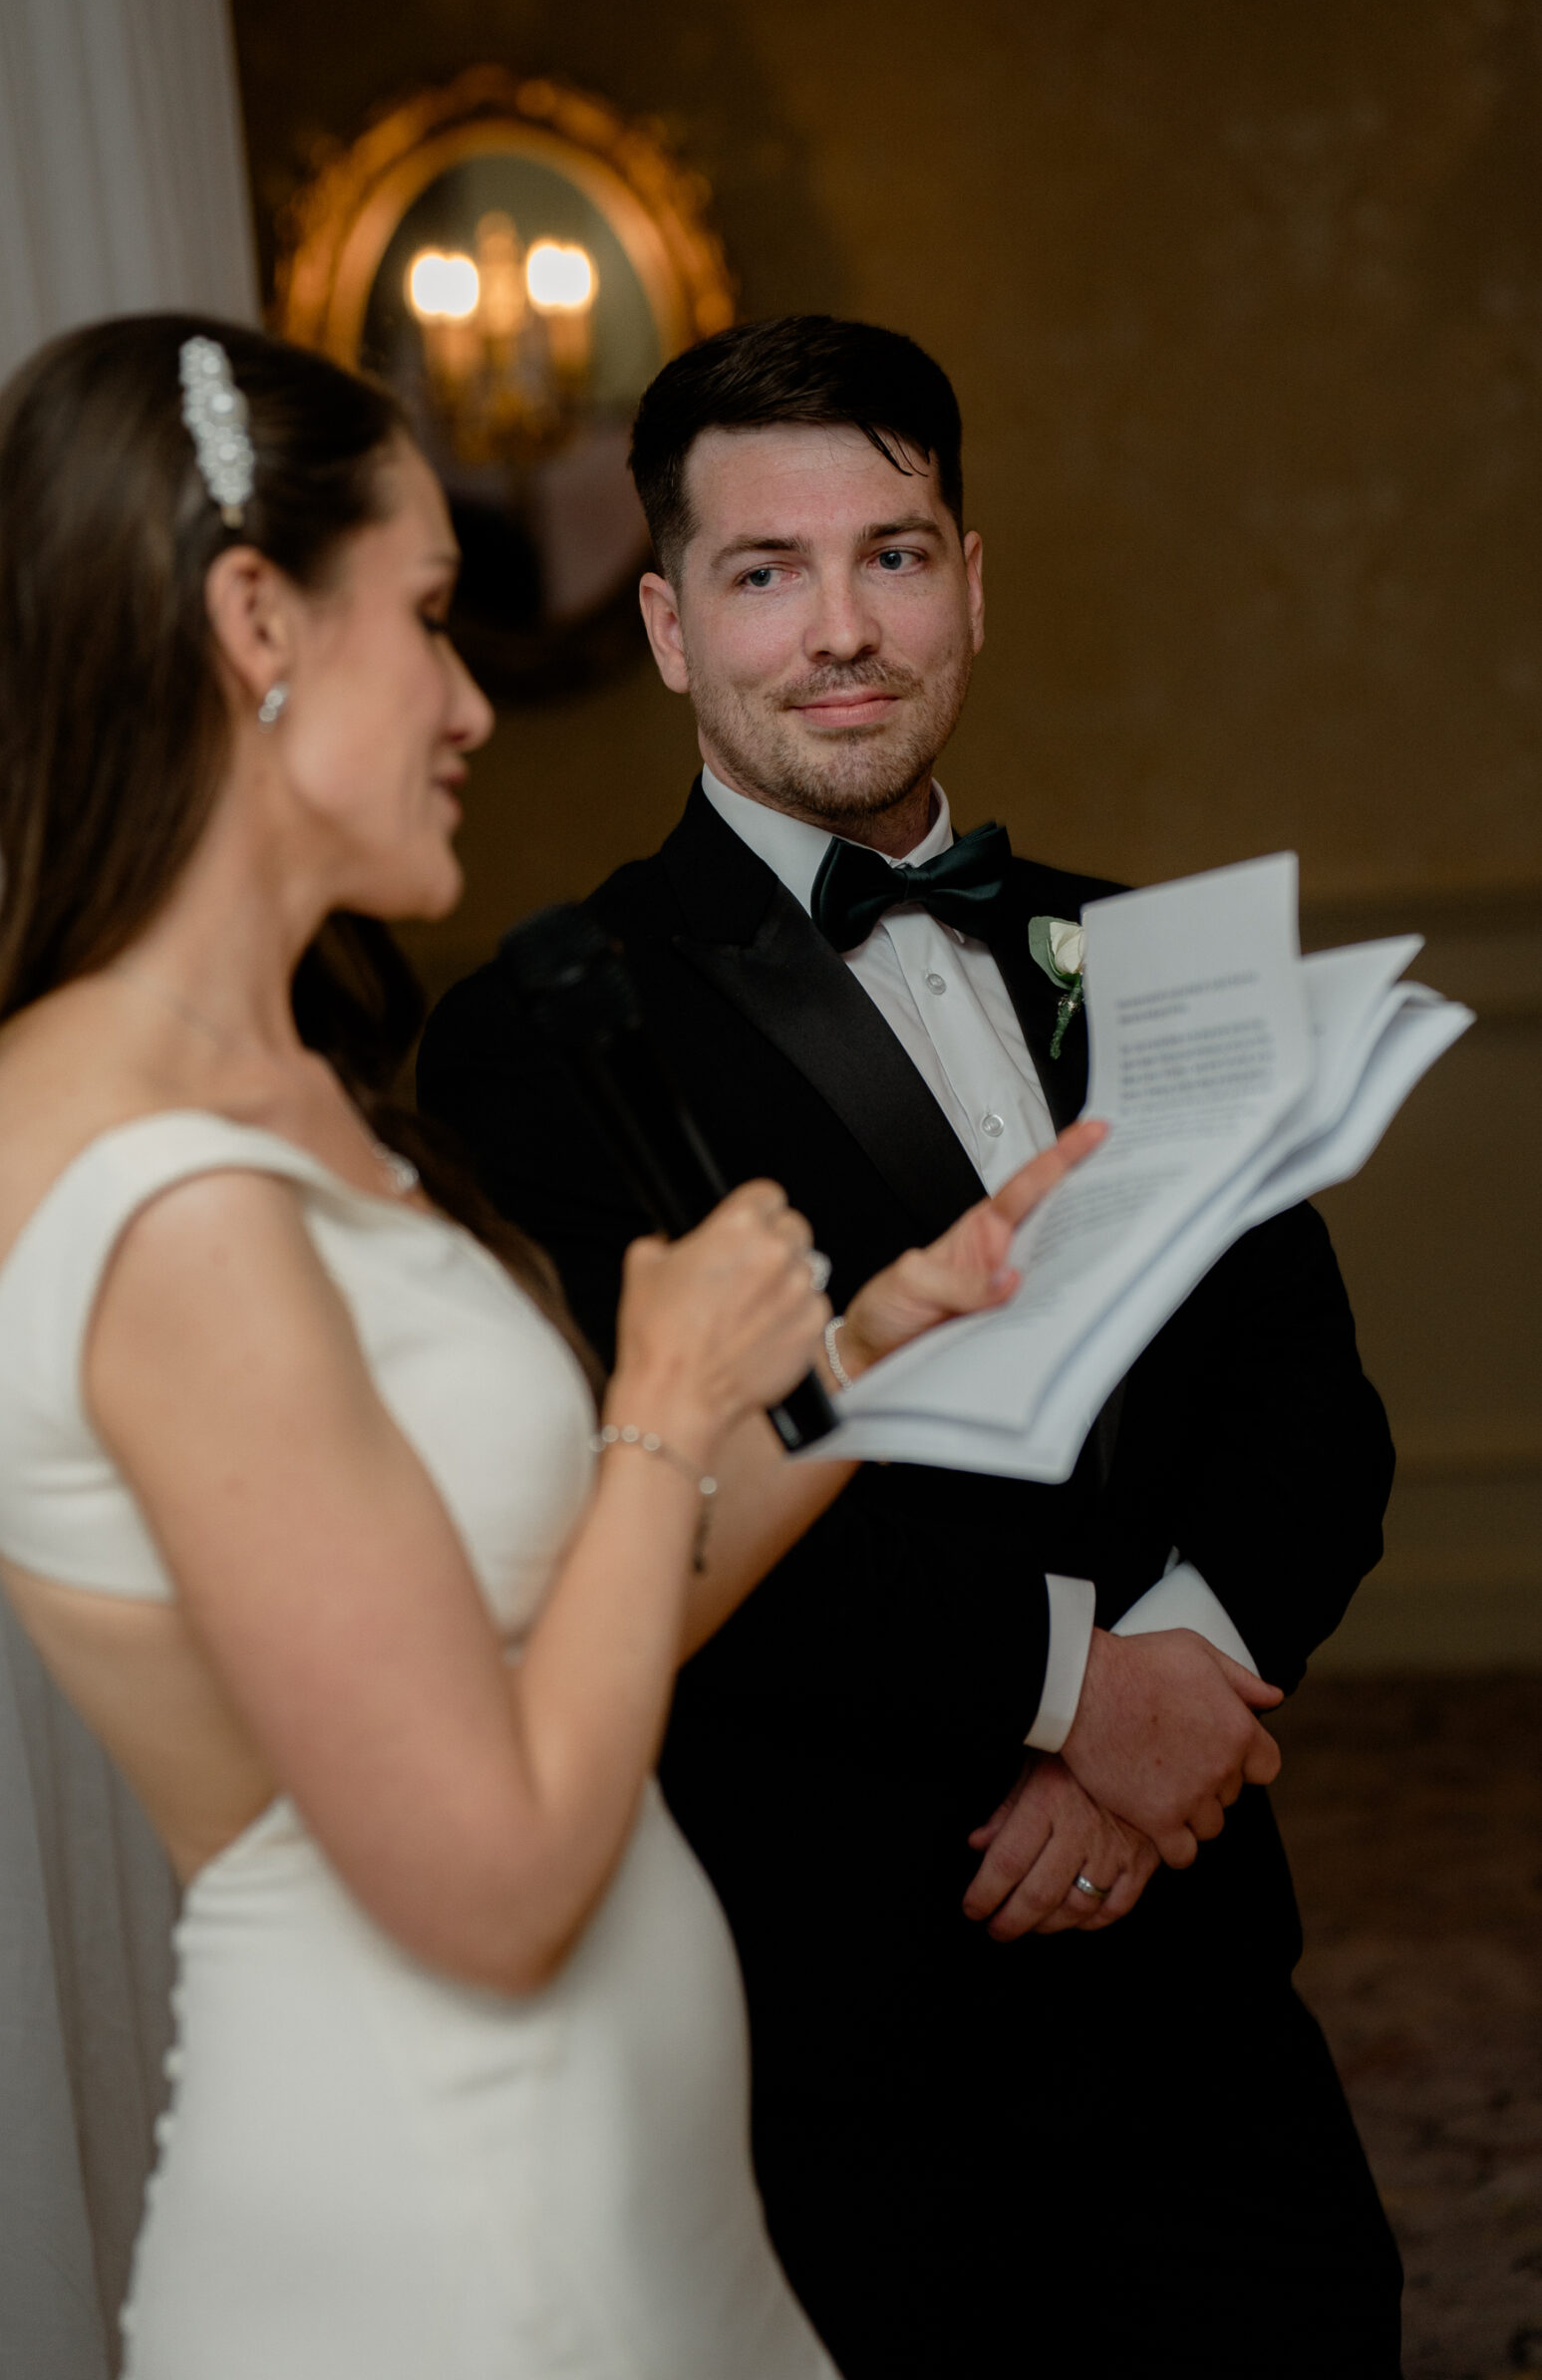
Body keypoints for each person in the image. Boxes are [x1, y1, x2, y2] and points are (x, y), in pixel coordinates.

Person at [0, 313, 1126, 2380]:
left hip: (616, 2197)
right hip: (453, 2227)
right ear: (252, 622)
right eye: (427, 620)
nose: (475, 704)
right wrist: (658, 1404)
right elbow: (483, 1879)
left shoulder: (279, 1084)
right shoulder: (167, 1196)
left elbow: (562, 1617)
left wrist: (868, 1343)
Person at [418, 315, 1406, 2378]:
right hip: (852, 1998)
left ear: (971, 580)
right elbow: (658, 1491)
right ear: (670, 622)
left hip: (1203, 1959)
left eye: (892, 552)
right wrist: (1064, 1683)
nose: (839, 629)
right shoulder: (554, 1022)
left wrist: (1178, 1689)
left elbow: (1305, 1406)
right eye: (766, 572)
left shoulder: (1137, 948)